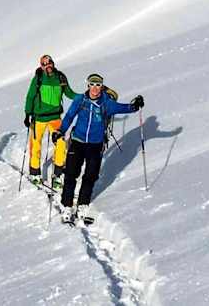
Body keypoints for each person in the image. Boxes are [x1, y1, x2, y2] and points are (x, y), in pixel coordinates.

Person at [52, 73, 144, 222]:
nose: (95, 88)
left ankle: (82, 204)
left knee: (91, 175)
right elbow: (69, 116)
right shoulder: (80, 100)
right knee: (70, 173)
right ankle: (67, 205)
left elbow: (124, 108)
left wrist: (135, 105)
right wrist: (60, 131)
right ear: (88, 85)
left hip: (96, 144)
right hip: (78, 141)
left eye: (98, 85)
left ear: (102, 86)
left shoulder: (106, 103)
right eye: (92, 84)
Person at [23, 54, 75, 187]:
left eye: (49, 63)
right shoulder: (38, 79)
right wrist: (27, 114)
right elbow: (30, 96)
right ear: (41, 66)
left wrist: (83, 97)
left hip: (55, 118)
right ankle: (35, 173)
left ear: (53, 63)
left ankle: (57, 175)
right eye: (44, 64)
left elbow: (69, 93)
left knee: (61, 144)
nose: (48, 66)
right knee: (36, 145)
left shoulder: (60, 77)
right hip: (39, 118)